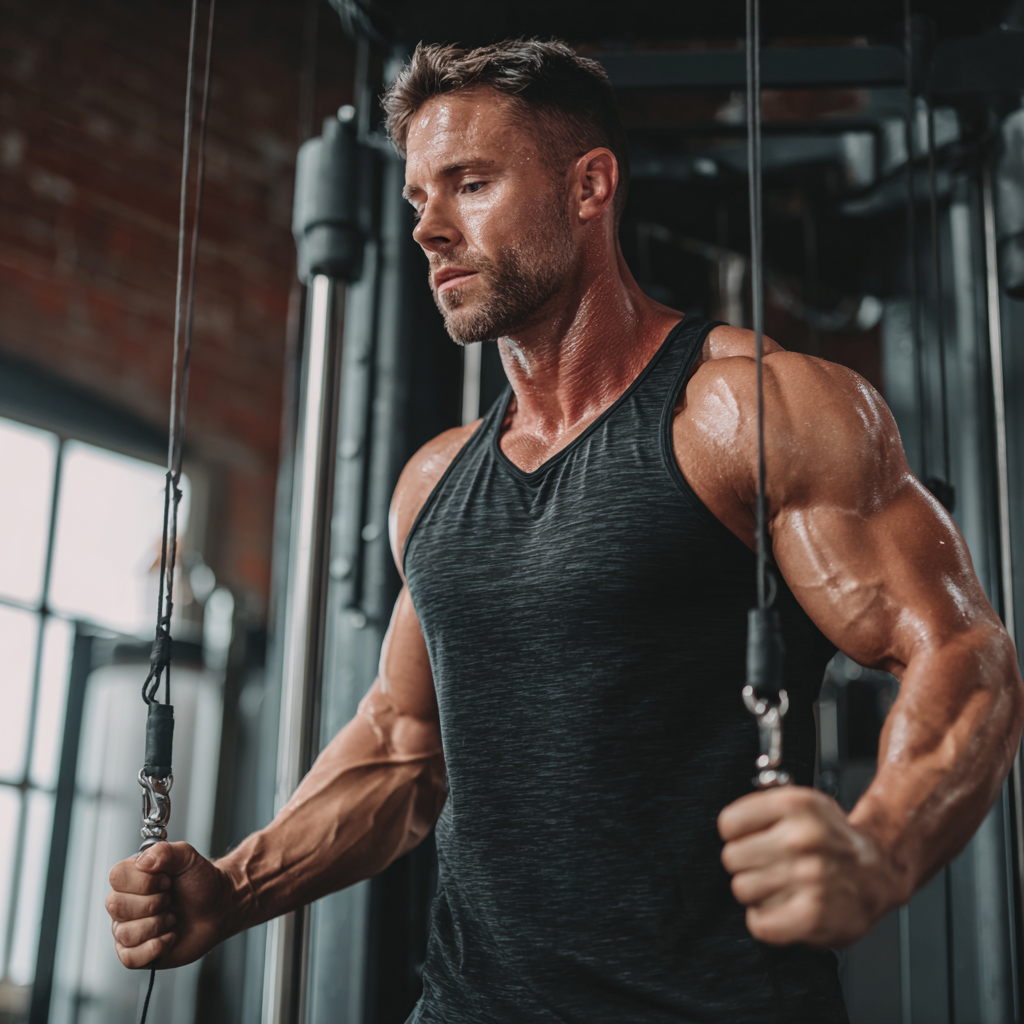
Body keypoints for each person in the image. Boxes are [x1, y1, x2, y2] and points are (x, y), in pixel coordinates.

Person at [106, 39, 1024, 1022]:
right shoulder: (434, 480)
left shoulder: (745, 413)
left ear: (589, 187)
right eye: (418, 197)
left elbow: (962, 651)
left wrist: (879, 851)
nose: (429, 228)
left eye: (470, 184)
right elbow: (404, 744)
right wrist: (235, 888)